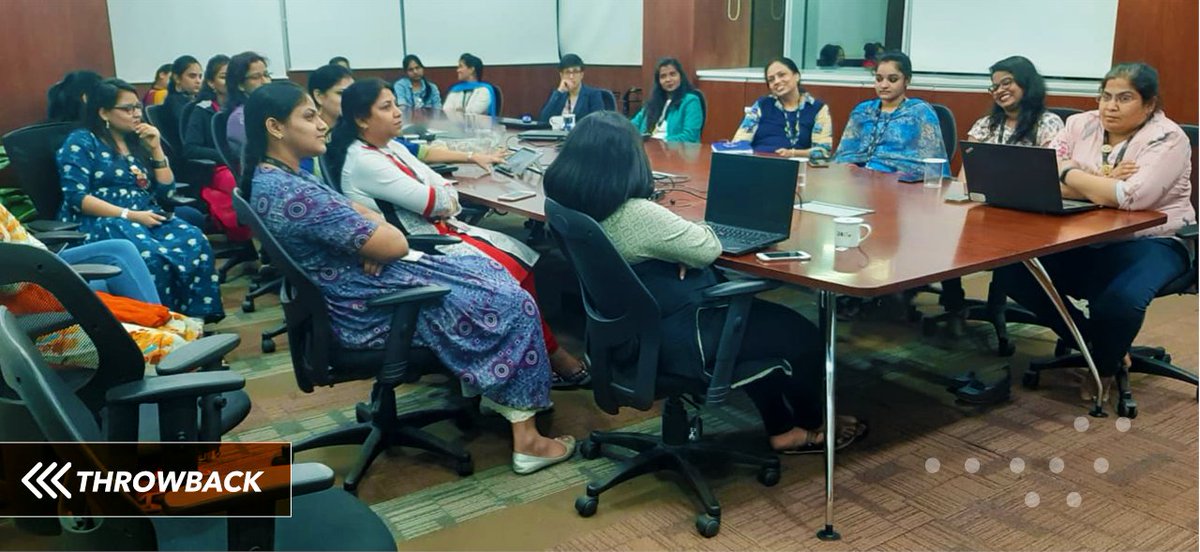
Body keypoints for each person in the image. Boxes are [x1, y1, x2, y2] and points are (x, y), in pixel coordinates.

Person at [241, 81, 575, 473]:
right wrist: (377, 238)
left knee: (490, 271)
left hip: (351, 291)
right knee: (510, 301)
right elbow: (394, 243)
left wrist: (372, 234)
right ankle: (528, 441)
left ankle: (498, 392)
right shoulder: (295, 193)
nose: (322, 124)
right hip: (365, 309)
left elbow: (359, 214)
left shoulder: (277, 179)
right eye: (309, 116)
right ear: (275, 127)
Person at [543, 111, 867, 454]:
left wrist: (672, 248)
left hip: (628, 338)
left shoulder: (569, 206)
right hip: (680, 336)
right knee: (801, 337)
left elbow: (673, 247)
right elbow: (708, 246)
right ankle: (814, 423)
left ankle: (782, 429)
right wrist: (681, 243)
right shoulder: (637, 214)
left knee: (756, 330)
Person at [328, 79, 589, 388]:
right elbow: (435, 201)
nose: (398, 112)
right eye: (386, 107)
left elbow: (438, 189)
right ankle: (548, 357)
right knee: (512, 273)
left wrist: (442, 194)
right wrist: (443, 196)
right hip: (416, 248)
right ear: (361, 119)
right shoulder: (365, 161)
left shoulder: (390, 146)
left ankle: (539, 352)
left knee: (522, 261)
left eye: (395, 104)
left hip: (434, 230)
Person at [994, 62, 1196, 401]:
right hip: (1082, 235)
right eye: (1105, 96)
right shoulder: (1080, 124)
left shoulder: (1168, 138)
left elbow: (1131, 197)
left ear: (1149, 104)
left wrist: (1068, 172)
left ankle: (1103, 367)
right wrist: (1103, 182)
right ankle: (1096, 344)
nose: (1110, 106)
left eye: (1124, 98)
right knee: (1013, 271)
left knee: (1121, 299)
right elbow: (1039, 176)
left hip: (1154, 240)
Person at [54, 78, 223, 321]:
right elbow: (77, 197)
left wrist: (156, 149)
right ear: (103, 112)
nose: (136, 114)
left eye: (137, 107)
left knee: (195, 240)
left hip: (146, 215)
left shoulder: (136, 141)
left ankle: (195, 318)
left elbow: (166, 191)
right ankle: (160, 320)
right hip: (103, 220)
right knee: (150, 255)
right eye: (127, 109)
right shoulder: (81, 141)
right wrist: (129, 215)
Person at [1, 203, 203, 369]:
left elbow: (40, 253)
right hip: (23, 330)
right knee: (172, 348)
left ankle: (172, 395)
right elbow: (13, 282)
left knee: (187, 327)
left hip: (53, 304)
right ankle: (161, 399)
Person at [833, 51, 948, 181]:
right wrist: (850, 167)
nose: (884, 85)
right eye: (879, 79)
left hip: (902, 184)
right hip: (859, 181)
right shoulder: (863, 111)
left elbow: (933, 164)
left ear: (907, 80)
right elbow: (844, 155)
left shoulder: (920, 112)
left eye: (892, 79)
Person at [181, 54, 249, 242]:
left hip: (244, 163)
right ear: (211, 83)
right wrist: (225, 156)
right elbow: (190, 149)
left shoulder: (244, 109)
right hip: (217, 168)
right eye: (223, 77)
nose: (229, 82)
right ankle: (248, 239)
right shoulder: (202, 110)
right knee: (236, 181)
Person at [732, 57, 833, 157]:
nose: (776, 81)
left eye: (782, 75)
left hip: (794, 164)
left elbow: (823, 151)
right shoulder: (762, 105)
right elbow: (739, 142)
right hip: (759, 161)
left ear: (797, 76)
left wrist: (793, 153)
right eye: (771, 80)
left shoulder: (817, 108)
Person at [629, 58, 704, 143]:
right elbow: (632, 125)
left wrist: (660, 142)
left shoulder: (691, 101)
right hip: (647, 147)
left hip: (675, 149)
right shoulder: (654, 102)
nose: (668, 80)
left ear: (681, 77)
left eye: (673, 74)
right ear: (658, 81)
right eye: (663, 76)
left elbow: (690, 136)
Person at [223, 51, 270, 155]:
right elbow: (261, 152)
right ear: (240, 84)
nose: (265, 82)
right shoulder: (239, 118)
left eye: (266, 75)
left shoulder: (270, 109)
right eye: (256, 77)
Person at [538, 54, 607, 123]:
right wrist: (559, 91)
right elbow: (543, 119)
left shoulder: (593, 95)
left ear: (581, 74)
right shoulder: (558, 95)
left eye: (575, 72)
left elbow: (598, 122)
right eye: (567, 72)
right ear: (561, 75)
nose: (571, 76)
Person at [161, 56, 203, 145]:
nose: (198, 81)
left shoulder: (193, 99)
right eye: (192, 76)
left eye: (200, 76)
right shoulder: (173, 102)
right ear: (177, 78)